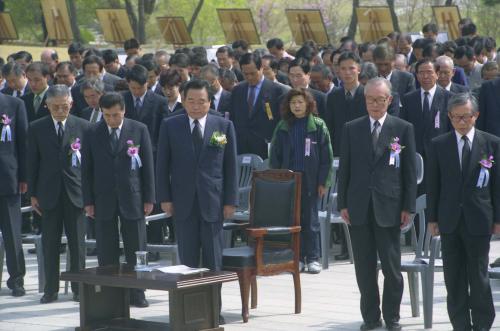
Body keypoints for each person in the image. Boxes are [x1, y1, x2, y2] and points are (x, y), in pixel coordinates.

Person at [338, 77, 417, 331]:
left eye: (380, 99)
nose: (375, 104)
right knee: (364, 267)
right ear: (364, 100)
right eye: (370, 99)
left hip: (390, 206)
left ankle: (392, 316)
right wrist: (342, 203)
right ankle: (371, 318)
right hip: (359, 205)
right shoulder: (351, 128)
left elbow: (409, 173)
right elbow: (345, 170)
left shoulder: (402, 128)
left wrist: (409, 206)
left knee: (392, 268)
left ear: (389, 100)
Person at [156, 79, 238, 324]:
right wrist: (165, 198)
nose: (196, 105)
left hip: (213, 202)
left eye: (201, 101)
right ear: (182, 100)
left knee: (214, 260)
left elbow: (230, 166)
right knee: (188, 261)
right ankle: (190, 310)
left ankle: (215, 309)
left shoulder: (222, 126)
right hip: (182, 202)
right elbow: (162, 165)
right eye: (190, 100)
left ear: (209, 101)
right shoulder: (170, 125)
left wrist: (230, 201)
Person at [427, 93, 500, 330]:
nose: (461, 122)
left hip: (480, 219)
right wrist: (432, 218)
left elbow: (497, 185)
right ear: (449, 117)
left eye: (466, 117)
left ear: (475, 116)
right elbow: (433, 184)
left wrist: (498, 219)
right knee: (454, 276)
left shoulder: (491, 143)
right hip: (449, 220)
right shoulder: (439, 144)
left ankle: (482, 323)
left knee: (478, 274)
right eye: (456, 117)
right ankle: (460, 323)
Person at [82, 92, 155, 308]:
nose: (112, 119)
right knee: (106, 247)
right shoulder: (92, 131)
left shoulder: (138, 129)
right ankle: (109, 291)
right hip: (103, 197)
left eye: (115, 115)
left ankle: (137, 292)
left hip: (132, 196)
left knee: (137, 246)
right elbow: (86, 170)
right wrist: (88, 201)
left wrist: (149, 197)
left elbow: (148, 167)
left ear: (123, 110)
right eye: (107, 115)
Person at [27, 85, 89, 303]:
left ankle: (79, 288)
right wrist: (33, 194)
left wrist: (89, 194)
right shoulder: (36, 128)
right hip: (48, 193)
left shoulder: (83, 126)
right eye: (56, 107)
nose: (61, 110)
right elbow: (32, 163)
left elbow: (89, 165)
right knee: (50, 243)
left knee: (77, 245)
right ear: (47, 105)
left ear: (71, 104)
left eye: (65, 106)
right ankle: (50, 289)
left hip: (76, 193)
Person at [270, 88, 333, 274]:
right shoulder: (283, 126)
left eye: (300, 102)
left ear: (308, 104)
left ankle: (312, 258)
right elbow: (274, 155)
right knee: (292, 220)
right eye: (293, 103)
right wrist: (277, 179)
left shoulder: (318, 125)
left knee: (311, 220)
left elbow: (326, 157)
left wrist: (323, 182)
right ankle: (295, 258)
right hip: (289, 180)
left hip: (310, 180)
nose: (296, 106)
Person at [229, 53, 286, 159]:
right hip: (241, 147)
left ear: (261, 68)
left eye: (253, 73)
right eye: (246, 74)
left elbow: (280, 121)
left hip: (265, 148)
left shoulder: (277, 91)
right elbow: (232, 118)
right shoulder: (237, 90)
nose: (249, 77)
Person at [0, 90, 28, 297]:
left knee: (12, 233)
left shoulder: (14, 104)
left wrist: (24, 177)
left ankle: (17, 278)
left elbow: (23, 142)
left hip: (8, 178)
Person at [123, 64, 168, 158]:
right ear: (128, 84)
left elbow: (163, 130)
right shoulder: (121, 99)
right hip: (126, 150)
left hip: (151, 151)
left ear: (147, 82)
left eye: (140, 88)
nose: (137, 91)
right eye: (133, 88)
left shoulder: (160, 101)